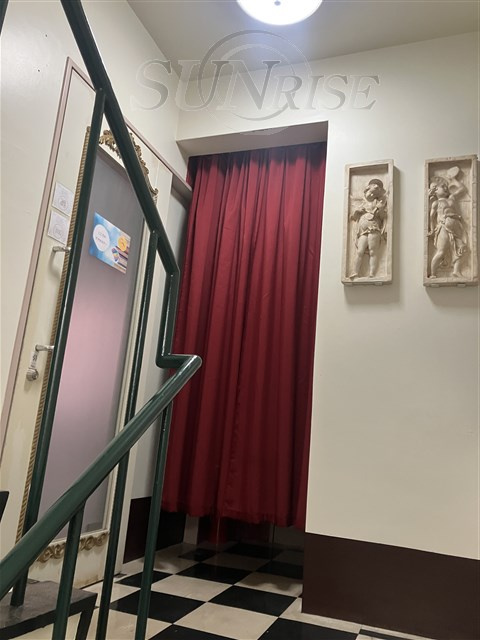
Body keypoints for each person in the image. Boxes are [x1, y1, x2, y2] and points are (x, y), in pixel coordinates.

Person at [428, 174, 467, 278]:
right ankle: (433, 274)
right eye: (442, 186)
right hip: (443, 227)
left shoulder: (451, 198)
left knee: (460, 247)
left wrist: (454, 179)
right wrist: (432, 230)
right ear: (435, 190)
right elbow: (431, 217)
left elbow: (462, 189)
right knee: (441, 251)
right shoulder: (436, 203)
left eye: (446, 186)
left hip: (456, 227)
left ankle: (456, 271)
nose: (446, 188)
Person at [349, 178, 387, 278]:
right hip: (362, 230)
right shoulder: (361, 202)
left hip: (373, 227)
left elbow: (383, 217)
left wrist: (380, 209)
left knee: (372, 251)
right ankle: (355, 272)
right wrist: (357, 212)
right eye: (371, 192)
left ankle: (372, 274)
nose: (372, 195)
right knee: (359, 251)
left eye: (374, 194)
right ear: (367, 189)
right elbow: (352, 217)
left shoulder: (378, 203)